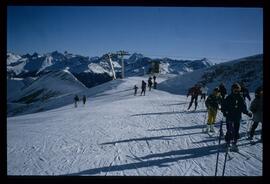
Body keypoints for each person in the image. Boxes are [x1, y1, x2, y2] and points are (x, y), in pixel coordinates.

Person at [221, 83, 252, 151]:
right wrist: (224, 112)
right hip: (229, 117)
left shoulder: (240, 98)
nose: (237, 92)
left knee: (236, 131)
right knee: (229, 130)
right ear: (232, 90)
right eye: (235, 90)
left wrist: (247, 113)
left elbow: (243, 108)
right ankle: (227, 142)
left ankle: (234, 144)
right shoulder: (228, 98)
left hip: (237, 118)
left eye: (238, 90)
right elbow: (223, 106)